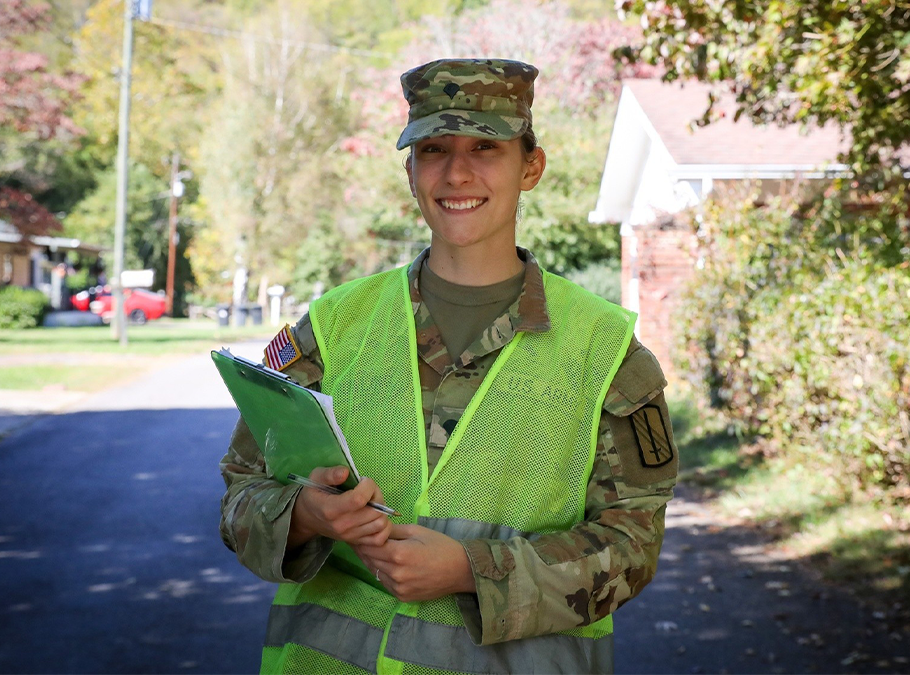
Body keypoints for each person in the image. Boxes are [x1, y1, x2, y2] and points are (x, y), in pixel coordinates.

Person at [219, 58, 679, 674]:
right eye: (433, 148)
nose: (456, 172)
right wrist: (303, 515)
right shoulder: (333, 326)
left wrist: (471, 570)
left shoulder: (605, 350)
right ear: (410, 171)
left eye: (486, 148)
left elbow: (632, 547)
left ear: (531, 167)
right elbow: (242, 492)